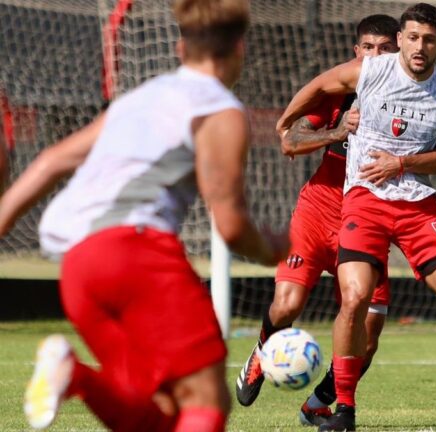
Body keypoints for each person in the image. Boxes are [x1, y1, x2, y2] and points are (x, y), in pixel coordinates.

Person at [0, 0, 289, 430]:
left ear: (180, 48)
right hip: (135, 253)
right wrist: (272, 249)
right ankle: (73, 372)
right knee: (207, 401)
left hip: (79, 268)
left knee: (160, 410)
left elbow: (49, 162)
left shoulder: (139, 98)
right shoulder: (220, 110)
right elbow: (230, 225)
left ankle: (76, 375)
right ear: (240, 49)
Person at [276, 3, 436, 431]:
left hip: (418, 207)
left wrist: (402, 163)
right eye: (412, 37)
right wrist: (286, 122)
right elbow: (318, 86)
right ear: (400, 39)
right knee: (355, 299)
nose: (419, 47)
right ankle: (344, 410)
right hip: (364, 202)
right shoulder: (370, 71)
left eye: (428, 40)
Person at [236, 14, 436, 427]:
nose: (375, 56)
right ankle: (262, 352)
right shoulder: (338, 98)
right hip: (317, 214)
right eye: (368, 48)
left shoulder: (418, 99)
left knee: (369, 338)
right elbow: (290, 142)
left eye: (384, 49)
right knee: (287, 305)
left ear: (397, 51)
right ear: (356, 52)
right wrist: (337, 131)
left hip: (367, 222)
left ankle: (319, 403)